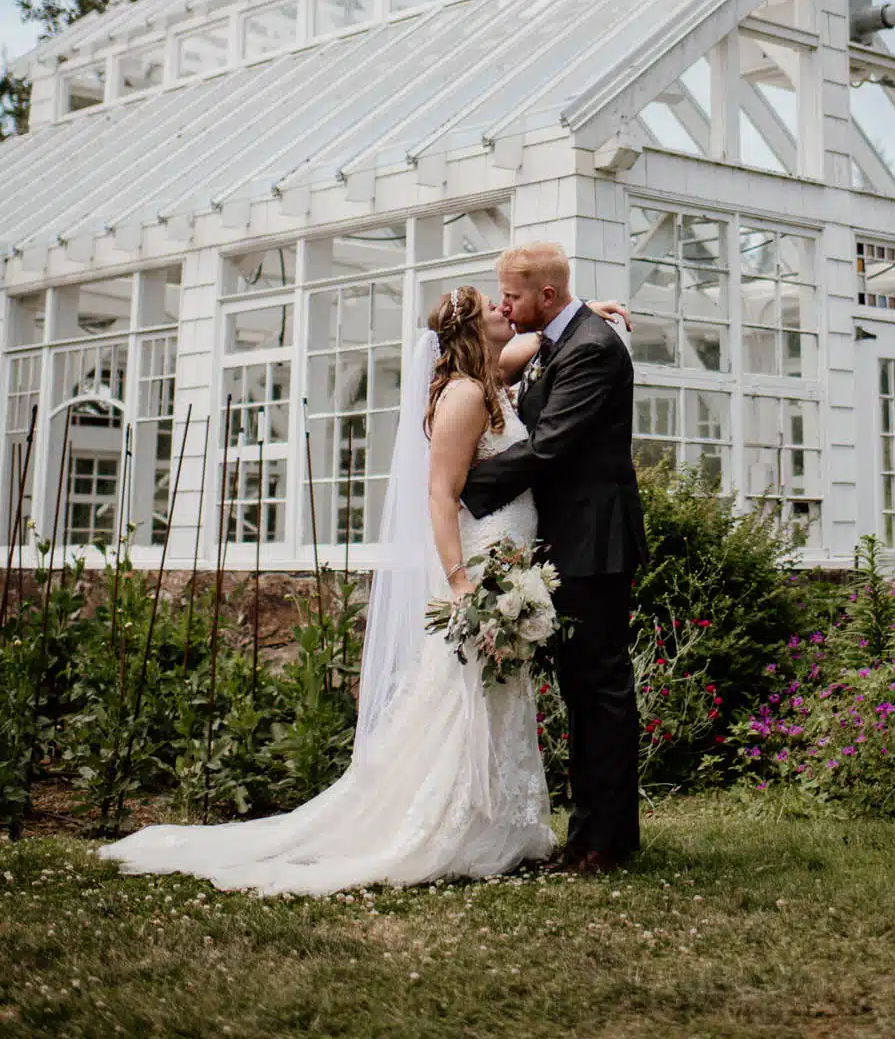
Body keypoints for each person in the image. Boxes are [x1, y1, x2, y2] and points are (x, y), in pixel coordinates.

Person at [99, 283, 628, 895]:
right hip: (480, 564)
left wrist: (587, 308)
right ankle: (442, 826)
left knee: (495, 694)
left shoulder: (489, 372)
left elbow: (548, 329)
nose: (505, 311)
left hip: (508, 559)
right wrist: (459, 581)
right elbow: (440, 493)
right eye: (493, 307)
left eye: (508, 301)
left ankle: (497, 827)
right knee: (460, 695)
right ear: (470, 331)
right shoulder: (462, 395)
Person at [463, 242, 647, 876]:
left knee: (600, 692)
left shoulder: (592, 349)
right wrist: (579, 311)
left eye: (511, 296)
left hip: (594, 543)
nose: (503, 307)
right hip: (568, 541)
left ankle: (606, 845)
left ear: (545, 296)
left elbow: (549, 448)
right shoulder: (559, 339)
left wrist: (465, 483)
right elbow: (526, 354)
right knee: (582, 690)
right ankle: (589, 836)